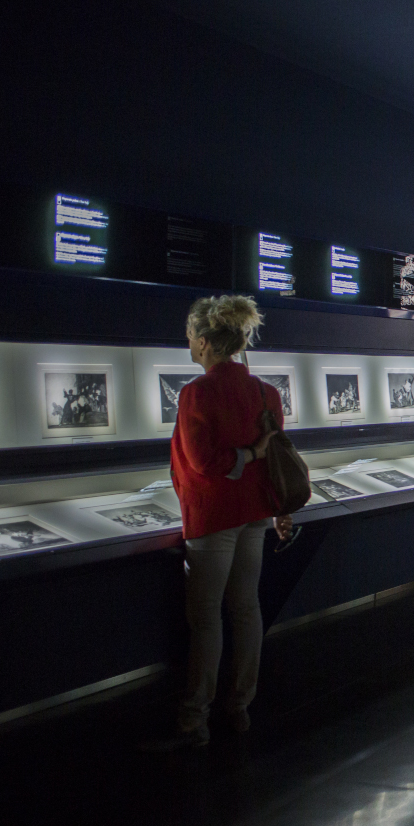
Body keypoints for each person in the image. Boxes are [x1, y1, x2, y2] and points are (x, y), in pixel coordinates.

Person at [143, 295, 291, 750]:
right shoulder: (267, 393)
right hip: (254, 514)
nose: (187, 343)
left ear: (205, 342)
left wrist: (244, 456)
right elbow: (277, 460)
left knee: (206, 617)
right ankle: (240, 706)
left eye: (190, 336)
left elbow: (203, 462)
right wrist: (277, 504)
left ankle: (194, 720)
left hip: (213, 515)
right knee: (246, 608)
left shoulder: (196, 392)